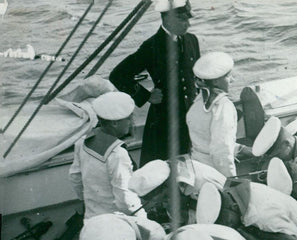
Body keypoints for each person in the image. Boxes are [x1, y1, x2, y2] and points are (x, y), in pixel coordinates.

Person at [110, 0, 199, 164]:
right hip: (165, 121)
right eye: (183, 20)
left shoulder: (192, 40)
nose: (188, 24)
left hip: (191, 116)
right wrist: (146, 95)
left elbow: (196, 77)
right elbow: (118, 74)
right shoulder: (152, 46)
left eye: (188, 19)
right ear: (167, 19)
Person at [69, 92, 143, 220]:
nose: (131, 123)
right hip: (116, 222)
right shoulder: (118, 154)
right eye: (129, 118)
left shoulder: (82, 142)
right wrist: (143, 220)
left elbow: (75, 178)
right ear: (114, 123)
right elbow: (125, 199)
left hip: (91, 218)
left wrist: (88, 201)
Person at [187, 51, 249, 177]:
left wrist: (241, 149)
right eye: (227, 76)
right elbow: (221, 152)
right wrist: (232, 181)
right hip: (215, 174)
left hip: (197, 170)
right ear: (215, 82)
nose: (231, 80)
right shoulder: (223, 106)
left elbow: (205, 142)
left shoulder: (196, 104)